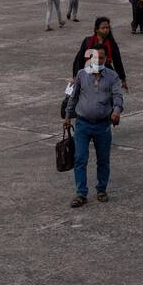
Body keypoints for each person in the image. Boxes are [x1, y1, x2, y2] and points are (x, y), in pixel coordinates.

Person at [62, 47, 124, 208]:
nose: (98, 61)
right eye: (95, 58)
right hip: (82, 124)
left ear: (106, 60)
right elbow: (73, 97)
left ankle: (101, 190)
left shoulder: (112, 77)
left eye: (101, 58)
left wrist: (116, 111)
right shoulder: (82, 74)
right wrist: (68, 117)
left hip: (103, 125)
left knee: (103, 160)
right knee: (80, 159)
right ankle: (81, 193)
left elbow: (118, 96)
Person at [71, 16, 128, 88]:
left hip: (105, 73)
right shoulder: (87, 41)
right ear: (97, 29)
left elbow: (118, 62)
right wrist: (76, 76)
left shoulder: (112, 44)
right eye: (103, 28)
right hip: (88, 72)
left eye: (107, 28)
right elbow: (79, 60)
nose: (106, 30)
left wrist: (123, 79)